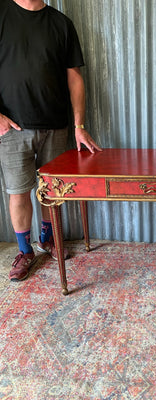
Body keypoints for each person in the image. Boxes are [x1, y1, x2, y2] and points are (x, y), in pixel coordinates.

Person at [0, 0, 102, 281]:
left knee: (53, 191)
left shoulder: (61, 24)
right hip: (12, 129)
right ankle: (24, 251)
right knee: (18, 192)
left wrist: (79, 126)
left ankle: (48, 239)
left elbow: (75, 78)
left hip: (56, 127)